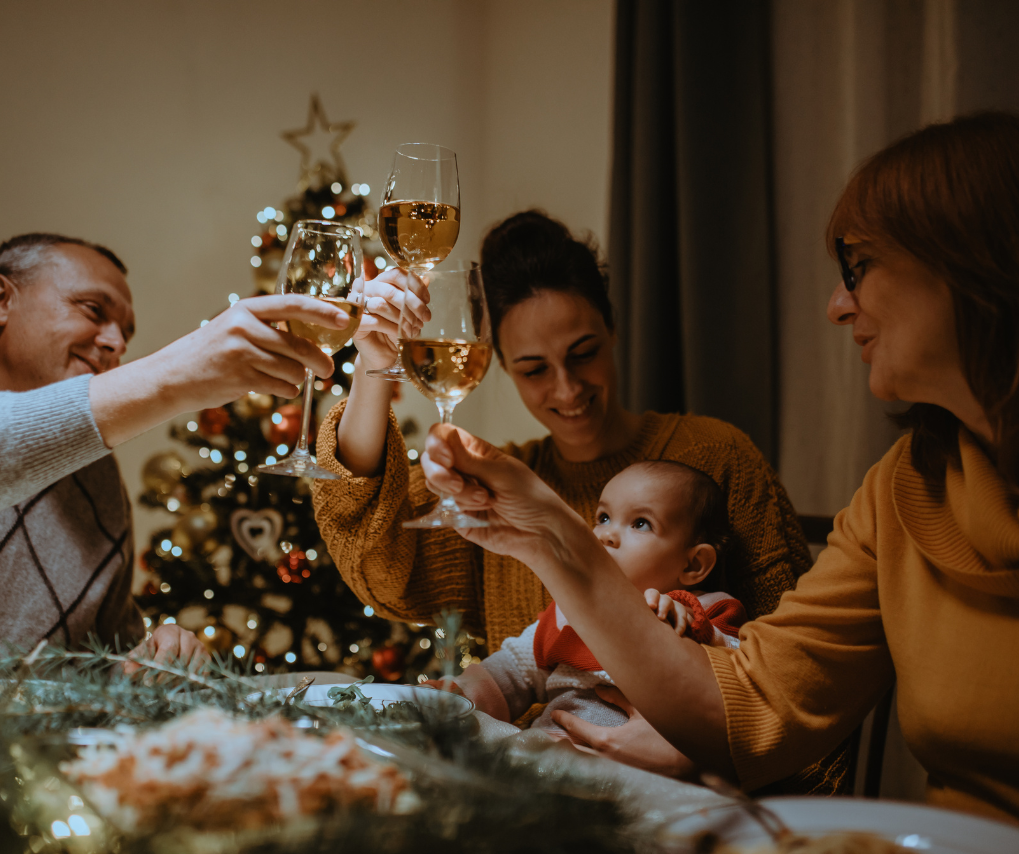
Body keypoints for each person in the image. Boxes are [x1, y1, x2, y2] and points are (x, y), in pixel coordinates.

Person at [418, 112, 1019, 843]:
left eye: (859, 267)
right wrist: (547, 536)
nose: (836, 304)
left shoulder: (724, 457)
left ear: (978, 266)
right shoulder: (906, 489)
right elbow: (755, 703)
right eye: (533, 369)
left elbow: (761, 726)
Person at [311, 211, 844, 789]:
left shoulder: (716, 456)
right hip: (540, 783)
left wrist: (696, 747)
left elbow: (797, 678)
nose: (566, 389)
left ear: (613, 329)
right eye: (535, 369)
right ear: (500, 367)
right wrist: (372, 365)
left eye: (584, 352)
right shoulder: (505, 484)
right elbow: (374, 548)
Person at [0, 232, 384, 673]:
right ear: (0, 299)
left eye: (124, 331)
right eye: (92, 310)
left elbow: (97, 670)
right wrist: (172, 378)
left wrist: (151, 660)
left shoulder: (96, 481)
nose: (116, 343)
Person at [429, 461, 745, 742]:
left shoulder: (707, 610)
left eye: (640, 523)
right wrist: (458, 693)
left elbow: (743, 681)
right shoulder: (569, 609)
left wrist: (693, 630)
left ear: (693, 565)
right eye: (604, 517)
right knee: (463, 740)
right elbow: (510, 673)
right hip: (543, 751)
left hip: (642, 770)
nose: (606, 535)